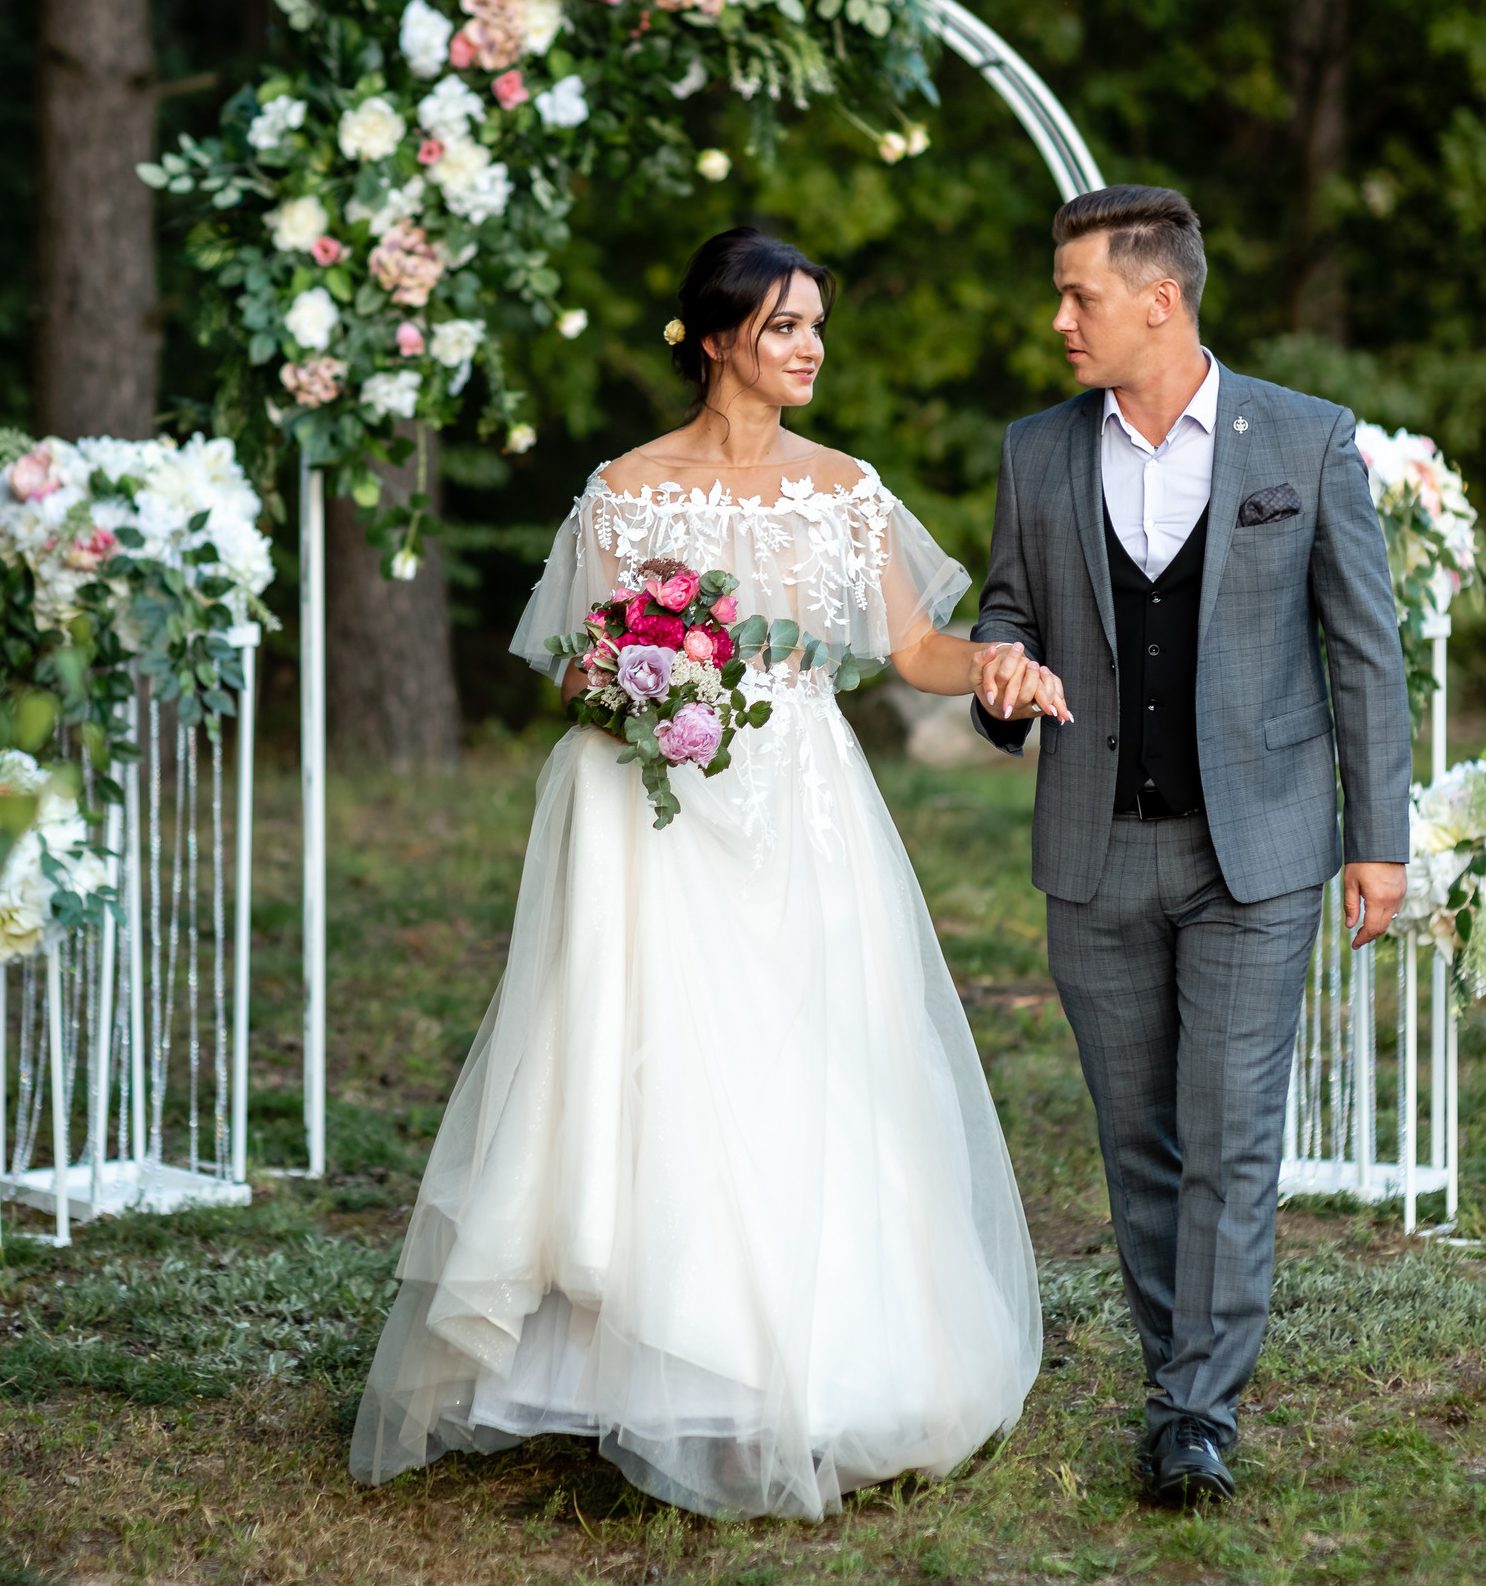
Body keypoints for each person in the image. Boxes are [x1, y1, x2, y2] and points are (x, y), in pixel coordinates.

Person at [350, 227, 1056, 1520]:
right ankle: (653, 1358)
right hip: (657, 807)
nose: (810, 350)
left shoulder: (845, 488)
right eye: (787, 326)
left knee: (814, 1056)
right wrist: (641, 674)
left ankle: (820, 1357)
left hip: (803, 800)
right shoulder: (628, 487)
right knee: (663, 1060)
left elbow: (912, 648)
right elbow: (572, 665)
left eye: (818, 328)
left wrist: (998, 663)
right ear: (719, 337)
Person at [969, 185, 1412, 1503]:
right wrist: (1001, 674)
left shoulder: (1307, 439)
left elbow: (1365, 654)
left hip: (1257, 854)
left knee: (1228, 1135)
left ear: (1158, 299)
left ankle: (1195, 1413)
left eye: (1079, 294)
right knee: (1139, 1140)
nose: (1059, 318)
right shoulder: (1037, 453)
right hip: (1094, 851)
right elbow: (1007, 609)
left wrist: (1376, 840)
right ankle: (1182, 1381)